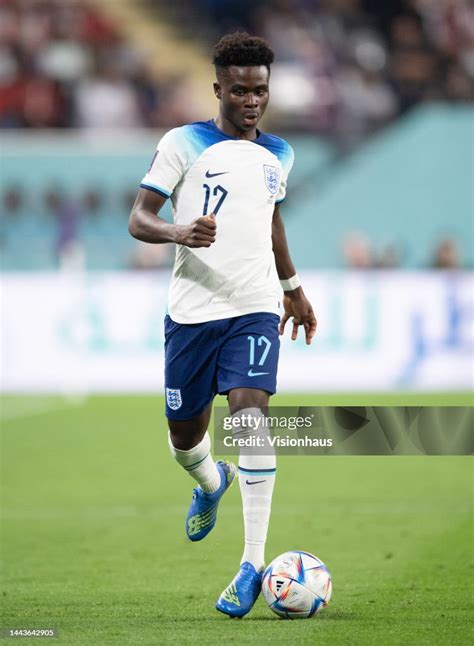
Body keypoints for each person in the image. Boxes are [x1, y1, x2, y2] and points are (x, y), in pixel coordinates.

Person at [128, 32, 316, 617]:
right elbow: (138, 218)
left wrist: (292, 289)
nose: (252, 101)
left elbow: (272, 220)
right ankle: (211, 483)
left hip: (254, 305)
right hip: (191, 312)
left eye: (260, 91)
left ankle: (251, 565)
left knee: (252, 416)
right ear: (218, 89)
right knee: (185, 438)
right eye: (240, 91)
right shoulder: (182, 144)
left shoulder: (279, 154)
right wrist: (178, 233)